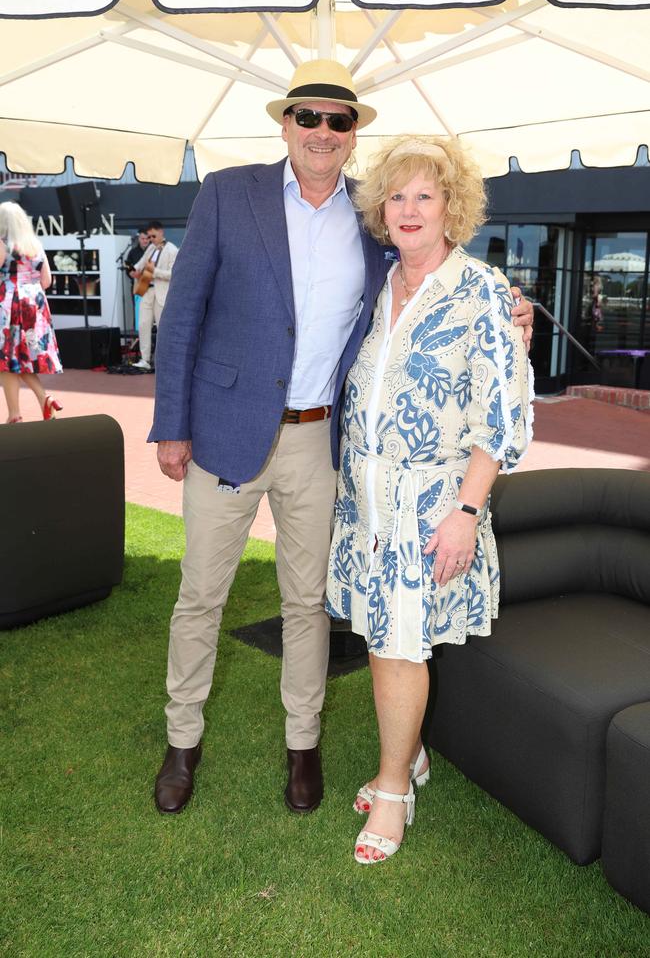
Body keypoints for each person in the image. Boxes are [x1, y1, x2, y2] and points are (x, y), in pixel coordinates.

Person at [148, 60, 534, 817]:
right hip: (224, 435)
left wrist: (512, 308)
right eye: (308, 116)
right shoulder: (229, 193)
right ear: (285, 122)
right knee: (200, 598)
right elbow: (183, 315)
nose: (323, 131)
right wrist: (173, 425)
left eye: (339, 120)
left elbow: (438, 277)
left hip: (318, 444)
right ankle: (182, 741)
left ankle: (304, 745)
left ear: (354, 133)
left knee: (306, 603)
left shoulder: (371, 224)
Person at [325, 136, 533, 864]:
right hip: (368, 503)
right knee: (383, 638)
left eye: (426, 195)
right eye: (397, 195)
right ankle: (409, 756)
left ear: (452, 207)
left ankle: (392, 788)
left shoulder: (482, 291)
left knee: (399, 646)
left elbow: (502, 417)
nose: (409, 209)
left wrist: (467, 514)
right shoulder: (376, 282)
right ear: (381, 209)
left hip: (432, 506)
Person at [0, 201, 63, 423]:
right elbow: (46, 281)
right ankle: (44, 399)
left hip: (8, 305)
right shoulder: (35, 245)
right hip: (35, 306)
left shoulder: (2, 244)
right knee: (21, 358)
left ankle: (14, 414)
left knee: (6, 358)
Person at [133, 221, 178, 371]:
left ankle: (165, 360)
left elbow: (174, 274)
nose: (151, 239)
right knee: (143, 324)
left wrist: (155, 271)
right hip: (146, 289)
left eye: (153, 235)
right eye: (149, 236)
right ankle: (145, 359)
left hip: (161, 293)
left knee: (162, 327)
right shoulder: (151, 248)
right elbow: (140, 264)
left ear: (161, 232)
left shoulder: (172, 249)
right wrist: (134, 270)